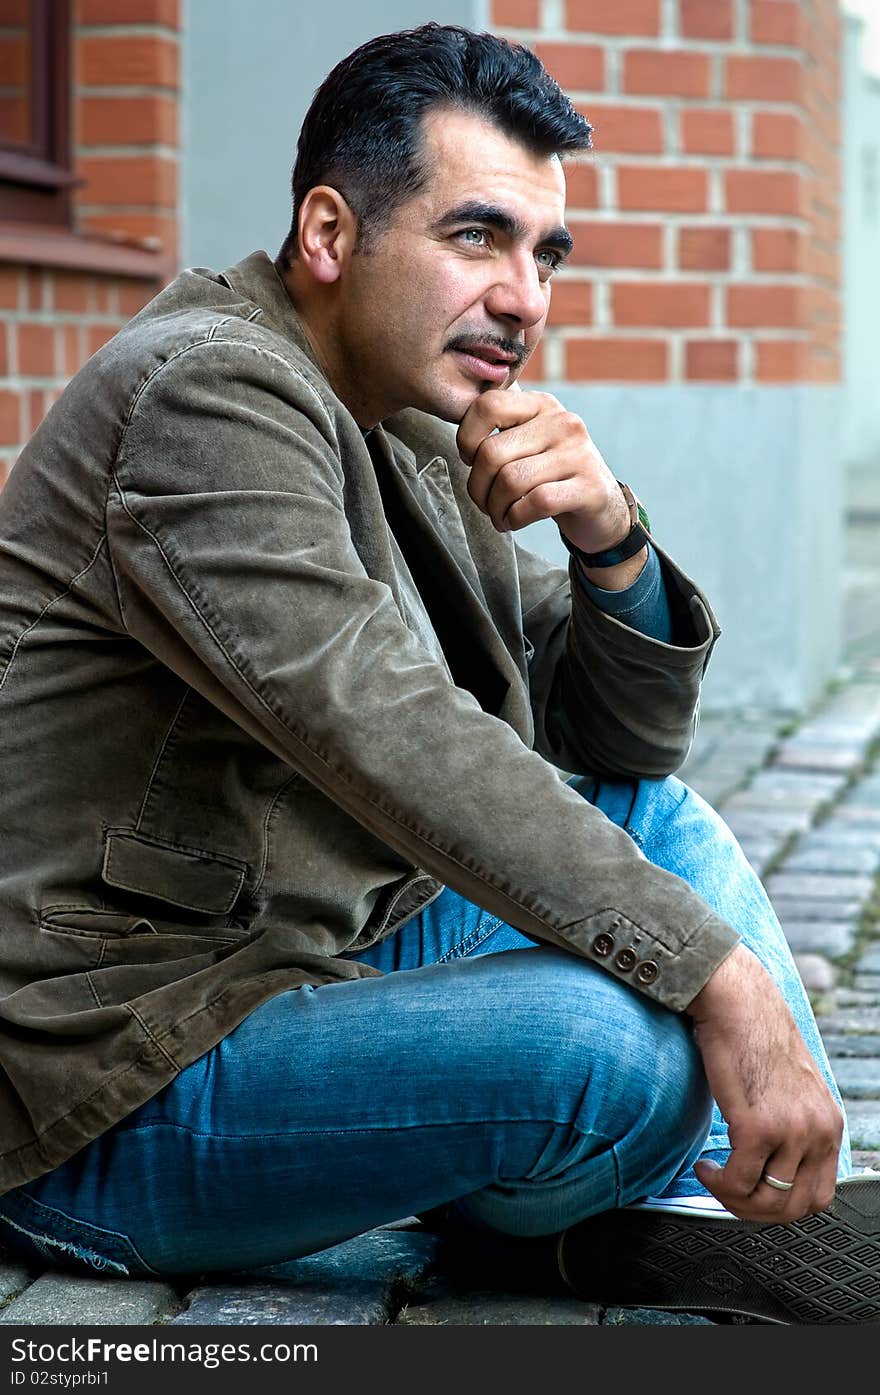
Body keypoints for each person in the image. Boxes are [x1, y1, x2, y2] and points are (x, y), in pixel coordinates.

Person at [0, 23, 875, 1326]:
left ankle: (753, 1202)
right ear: (330, 235)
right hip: (115, 1078)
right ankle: (616, 1201)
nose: (526, 295)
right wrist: (725, 977)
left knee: (653, 827)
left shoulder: (403, 416)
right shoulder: (202, 403)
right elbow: (391, 732)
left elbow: (615, 748)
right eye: (478, 238)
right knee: (616, 1047)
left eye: (545, 253)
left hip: (308, 962)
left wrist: (609, 540)